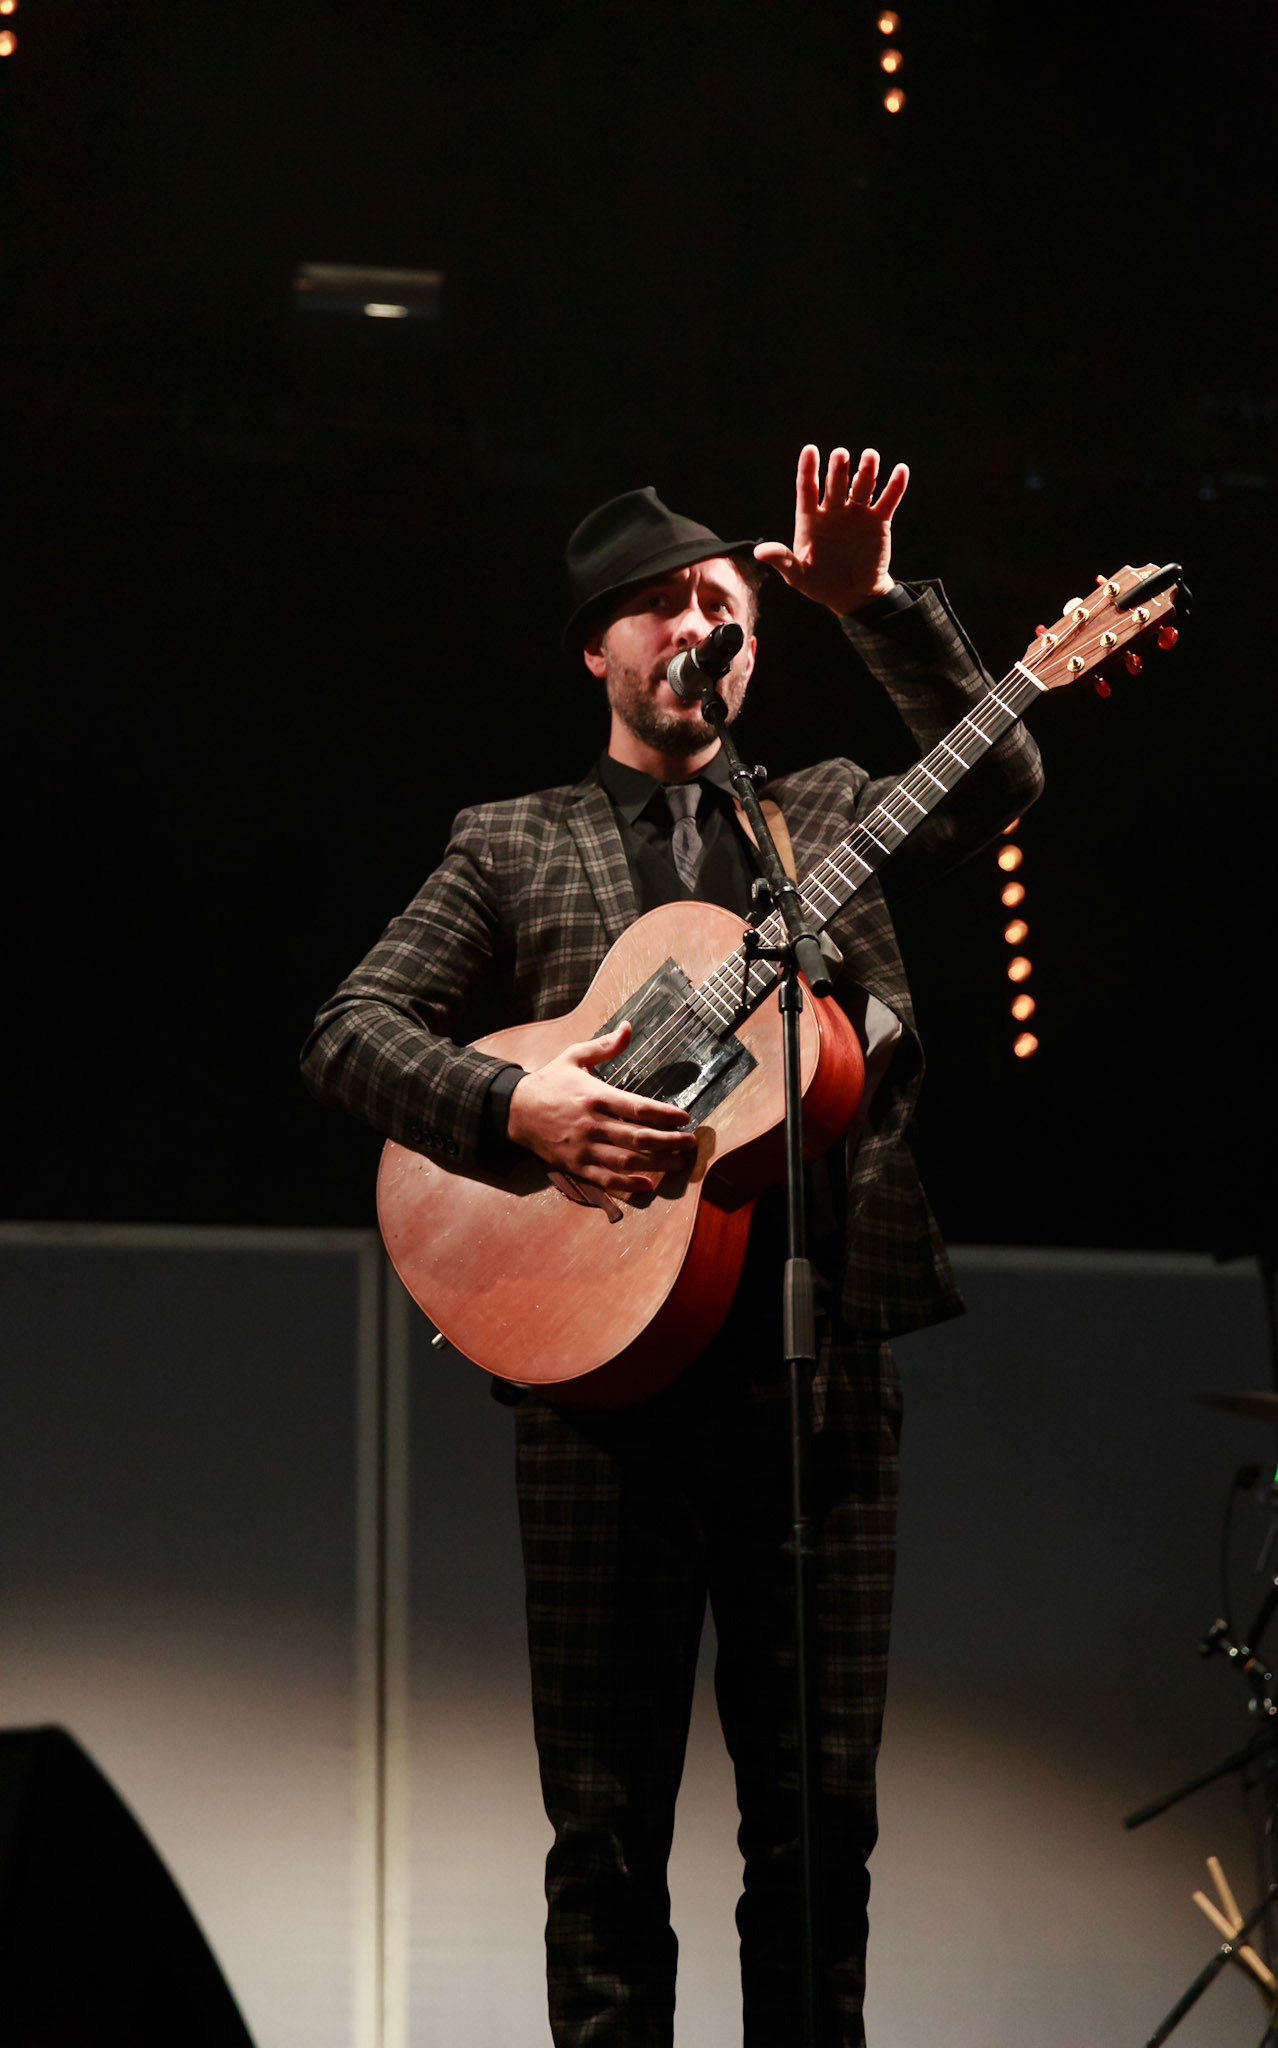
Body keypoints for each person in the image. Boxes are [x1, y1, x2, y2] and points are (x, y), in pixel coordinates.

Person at [302, 445, 1043, 2048]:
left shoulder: (825, 811)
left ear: (751, 643)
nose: (690, 621)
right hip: (596, 1395)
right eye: (653, 605)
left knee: (815, 1830)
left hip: (818, 1375)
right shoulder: (512, 842)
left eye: (717, 599)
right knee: (606, 1832)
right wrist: (518, 1108)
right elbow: (347, 1033)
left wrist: (878, 606)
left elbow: (997, 782)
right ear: (596, 649)